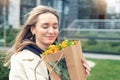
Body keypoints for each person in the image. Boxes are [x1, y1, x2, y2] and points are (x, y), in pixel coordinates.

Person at [4, 5, 90, 80]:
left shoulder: (65, 56)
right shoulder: (20, 59)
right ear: (33, 29)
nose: (51, 31)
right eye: (45, 26)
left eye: (55, 27)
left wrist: (80, 75)